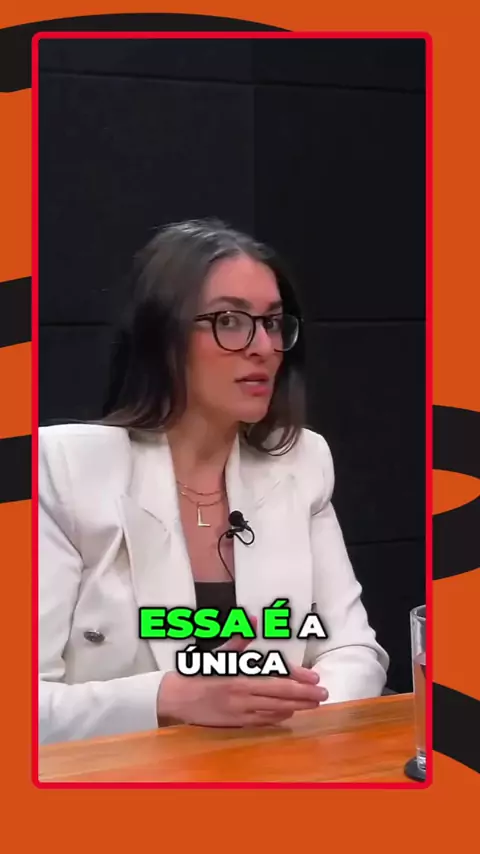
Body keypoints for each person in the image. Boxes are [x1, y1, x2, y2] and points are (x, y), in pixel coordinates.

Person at [39, 218, 389, 744]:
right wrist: (171, 698)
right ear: (163, 337)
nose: (263, 346)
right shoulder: (63, 469)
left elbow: (352, 651)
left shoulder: (300, 461)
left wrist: (288, 719)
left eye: (273, 323)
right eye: (230, 320)